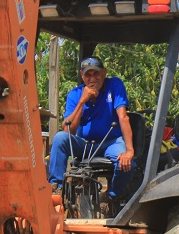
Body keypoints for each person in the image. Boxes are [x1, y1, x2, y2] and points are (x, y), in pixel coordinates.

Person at [48, 57, 135, 200]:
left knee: (126, 164)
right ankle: (57, 188)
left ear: (104, 73)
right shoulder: (75, 94)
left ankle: (111, 197)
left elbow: (123, 117)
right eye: (88, 75)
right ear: (82, 76)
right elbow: (68, 130)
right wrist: (82, 101)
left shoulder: (114, 85)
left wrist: (129, 151)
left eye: (96, 74)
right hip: (86, 145)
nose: (92, 78)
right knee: (59, 138)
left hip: (111, 142)